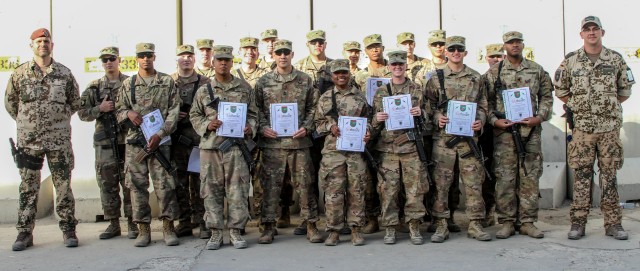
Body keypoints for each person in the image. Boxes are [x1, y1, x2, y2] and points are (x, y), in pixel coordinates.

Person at [554, 16, 635, 240]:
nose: (591, 32)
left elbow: (624, 91)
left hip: (609, 129)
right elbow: (561, 90)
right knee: (581, 176)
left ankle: (613, 224)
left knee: (609, 176)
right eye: (587, 29)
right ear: (581, 34)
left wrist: (605, 107)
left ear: (602, 32)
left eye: (595, 29)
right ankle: (578, 223)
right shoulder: (571, 60)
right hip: (582, 130)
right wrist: (581, 108)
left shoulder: (615, 59)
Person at [6, 28, 81, 251]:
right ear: (31, 45)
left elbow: (74, 102)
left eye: (46, 41)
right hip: (29, 142)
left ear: (52, 45)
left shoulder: (64, 74)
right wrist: (27, 124)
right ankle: (24, 234)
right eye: (38, 41)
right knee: (28, 188)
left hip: (59, 141)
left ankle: (69, 230)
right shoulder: (19, 74)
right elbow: (11, 104)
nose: (43, 44)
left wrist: (57, 120)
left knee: (64, 186)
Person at [485, 31, 554, 239]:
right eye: (510, 43)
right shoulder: (493, 74)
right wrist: (494, 120)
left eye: (518, 42)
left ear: (523, 45)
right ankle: (506, 221)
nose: (514, 45)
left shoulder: (536, 70)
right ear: (504, 46)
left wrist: (539, 117)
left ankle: (527, 222)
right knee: (505, 178)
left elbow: (547, 97)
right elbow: (483, 103)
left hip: (530, 132)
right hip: (504, 134)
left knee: (529, 177)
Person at [189, 45, 258, 250]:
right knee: (211, 189)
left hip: (236, 147)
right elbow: (195, 114)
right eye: (219, 59)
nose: (223, 63)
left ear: (231, 62)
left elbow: (254, 115)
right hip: (211, 148)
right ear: (213, 62)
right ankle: (216, 232)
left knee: (238, 189)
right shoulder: (204, 90)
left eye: (227, 60)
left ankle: (236, 231)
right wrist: (206, 125)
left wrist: (249, 127)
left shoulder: (244, 88)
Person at [255, 39, 323, 244]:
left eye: (286, 52)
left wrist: (307, 127)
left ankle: (311, 225)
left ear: (292, 54)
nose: (282, 56)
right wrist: (262, 127)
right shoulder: (263, 82)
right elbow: (255, 109)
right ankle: (268, 226)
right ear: (273, 56)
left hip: (298, 144)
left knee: (305, 185)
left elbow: (315, 107)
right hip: (272, 145)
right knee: (270, 186)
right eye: (279, 53)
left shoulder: (305, 80)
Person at [426, 36, 491, 243]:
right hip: (444, 141)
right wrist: (438, 117)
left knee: (473, 183)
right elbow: (428, 106)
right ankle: (442, 224)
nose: (455, 52)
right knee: (442, 184)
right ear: (446, 52)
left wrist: (480, 121)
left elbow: (483, 106)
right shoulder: (436, 78)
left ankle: (475, 223)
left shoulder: (475, 77)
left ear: (465, 53)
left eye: (459, 49)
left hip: (468, 140)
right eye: (452, 49)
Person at [115, 43, 181, 247]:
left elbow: (174, 111)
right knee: (136, 186)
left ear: (154, 56)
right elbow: (117, 111)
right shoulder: (129, 84)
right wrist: (128, 113)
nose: (146, 59)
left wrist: (161, 133)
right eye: (142, 56)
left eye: (149, 55)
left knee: (165, 186)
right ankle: (143, 229)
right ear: (137, 59)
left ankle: (168, 228)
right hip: (136, 145)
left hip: (160, 143)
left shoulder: (166, 81)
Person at [78, 46, 137, 240]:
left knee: (129, 183)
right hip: (105, 144)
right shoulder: (94, 87)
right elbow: (81, 113)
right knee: (107, 183)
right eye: (105, 60)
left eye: (112, 58)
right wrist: (100, 108)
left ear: (119, 59)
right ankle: (113, 223)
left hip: (127, 141)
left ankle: (132, 222)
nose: (108, 62)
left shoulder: (130, 83)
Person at [370, 50, 429, 245]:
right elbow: (372, 122)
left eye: (400, 64)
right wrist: (377, 119)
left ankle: (413, 225)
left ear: (406, 66)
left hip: (411, 147)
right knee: (388, 190)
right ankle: (390, 227)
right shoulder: (381, 92)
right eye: (394, 64)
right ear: (389, 67)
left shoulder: (416, 89)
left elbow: (429, 116)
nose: (397, 67)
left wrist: (421, 112)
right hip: (388, 150)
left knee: (414, 190)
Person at [315, 59, 371, 246]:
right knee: (333, 192)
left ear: (349, 74)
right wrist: (330, 126)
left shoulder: (359, 96)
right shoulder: (325, 98)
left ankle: (356, 229)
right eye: (337, 73)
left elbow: (368, 120)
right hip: (333, 152)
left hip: (355, 152)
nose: (341, 76)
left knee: (357, 190)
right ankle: (333, 230)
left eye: (344, 72)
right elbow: (317, 124)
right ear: (332, 76)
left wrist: (367, 131)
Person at [170, 44, 212, 239]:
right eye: (181, 56)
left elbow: (213, 109)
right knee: (179, 182)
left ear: (194, 59)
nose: (185, 59)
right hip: (177, 141)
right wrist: (173, 116)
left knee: (200, 182)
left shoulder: (205, 82)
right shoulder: (168, 82)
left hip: (198, 141)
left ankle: (203, 222)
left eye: (189, 55)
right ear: (176, 59)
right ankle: (184, 222)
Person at [353, 34, 390, 234]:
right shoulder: (360, 76)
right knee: (367, 179)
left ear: (383, 48)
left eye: (377, 47)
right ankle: (371, 218)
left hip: (390, 130)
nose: (375, 50)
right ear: (365, 52)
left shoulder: (393, 70)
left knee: (389, 178)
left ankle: (394, 218)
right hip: (367, 130)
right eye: (370, 47)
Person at [478, 43, 504, 228]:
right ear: (486, 58)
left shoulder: (513, 76)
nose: (495, 59)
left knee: (507, 173)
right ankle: (488, 210)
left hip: (510, 130)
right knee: (487, 173)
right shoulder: (481, 79)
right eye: (491, 56)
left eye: (498, 56)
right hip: (488, 130)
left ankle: (509, 213)